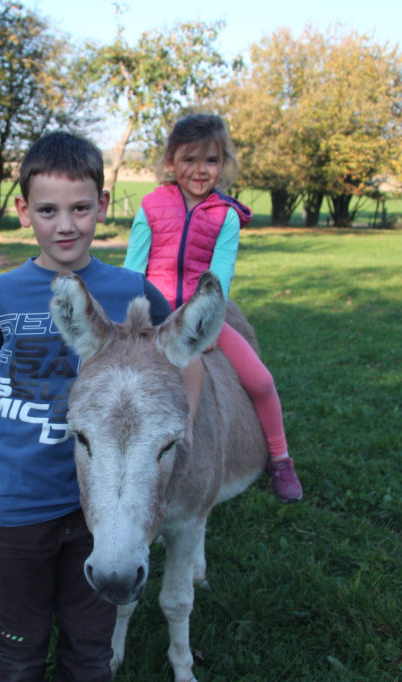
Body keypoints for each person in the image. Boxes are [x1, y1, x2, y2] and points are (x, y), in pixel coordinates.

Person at [0, 131, 172, 681]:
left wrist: (183, 426)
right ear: (22, 211)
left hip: (99, 509)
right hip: (15, 501)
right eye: (47, 210)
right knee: (17, 647)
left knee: (89, 649)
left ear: (102, 206)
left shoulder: (133, 289)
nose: (65, 225)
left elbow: (184, 358)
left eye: (80, 208)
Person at [123, 113, 303, 502]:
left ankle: (280, 457)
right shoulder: (152, 207)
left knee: (261, 381)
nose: (200, 170)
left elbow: (218, 278)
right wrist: (132, 322)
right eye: (189, 159)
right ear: (171, 161)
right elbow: (133, 269)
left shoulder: (226, 216)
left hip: (199, 318)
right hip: (151, 319)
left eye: (211, 160)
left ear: (224, 163)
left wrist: (205, 323)